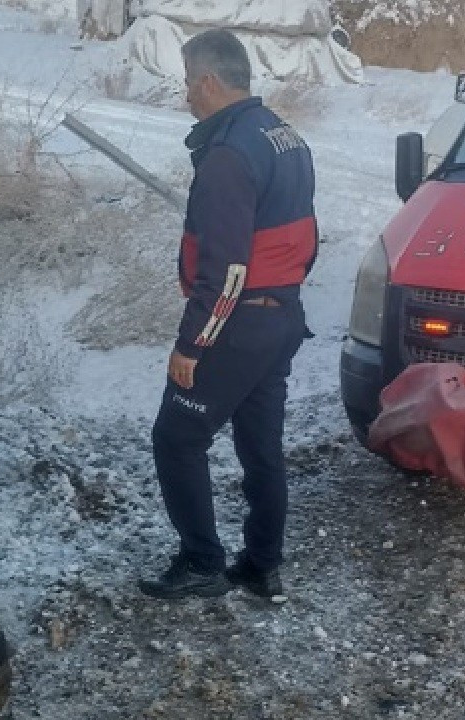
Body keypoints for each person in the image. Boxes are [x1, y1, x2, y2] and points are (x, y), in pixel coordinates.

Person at [138, 29, 317, 601]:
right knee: (260, 444)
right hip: (280, 318)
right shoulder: (285, 135)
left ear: (211, 81)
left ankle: (201, 562)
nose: (186, 93)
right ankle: (263, 564)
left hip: (239, 325)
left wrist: (192, 345)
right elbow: (306, 238)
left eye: (189, 81)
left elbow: (227, 271)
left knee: (175, 438)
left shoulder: (229, 157)